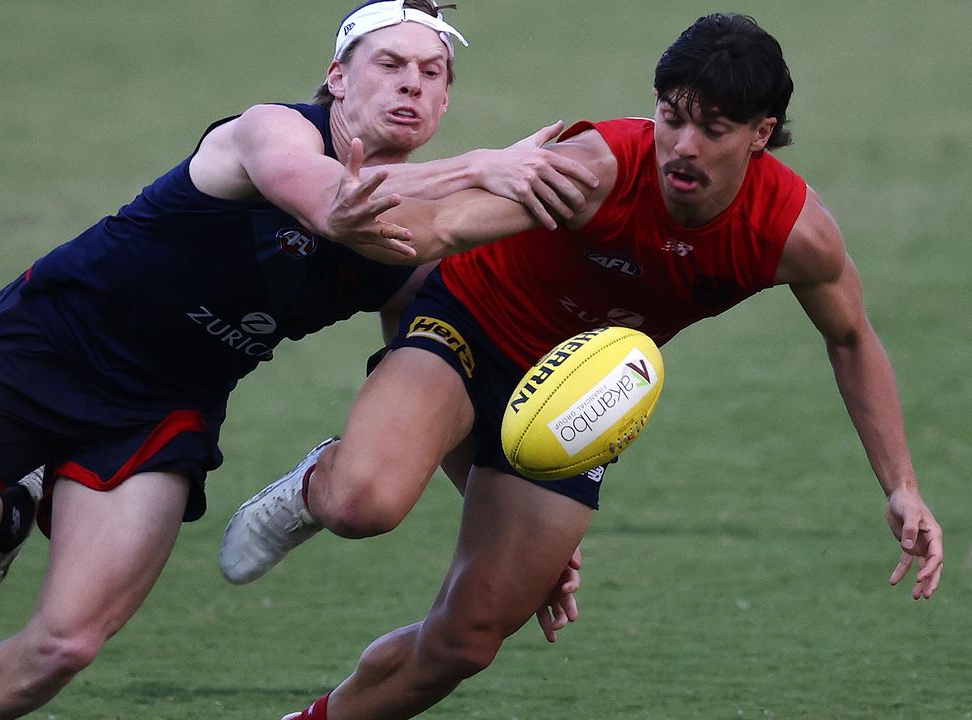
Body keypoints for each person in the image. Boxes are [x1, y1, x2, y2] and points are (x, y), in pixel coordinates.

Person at [0, 1, 599, 717]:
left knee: (65, 645)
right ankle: (4, 512)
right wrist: (476, 168)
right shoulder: (269, 133)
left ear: (442, 105)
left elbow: (431, 392)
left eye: (432, 75)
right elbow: (331, 201)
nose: (411, 82)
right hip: (41, 353)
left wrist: (519, 540)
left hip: (162, 408)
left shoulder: (414, 255)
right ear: (338, 76)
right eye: (390, 63)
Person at [218, 14, 945, 720]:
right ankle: (321, 481)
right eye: (670, 116)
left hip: (576, 400)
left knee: (468, 641)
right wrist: (335, 209)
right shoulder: (598, 166)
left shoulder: (793, 233)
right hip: (469, 324)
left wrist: (902, 488)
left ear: (761, 135)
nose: (682, 146)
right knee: (362, 504)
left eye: (714, 128)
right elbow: (438, 230)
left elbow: (851, 338)